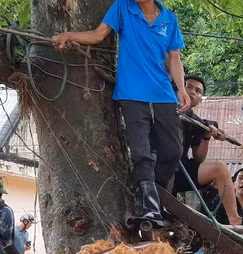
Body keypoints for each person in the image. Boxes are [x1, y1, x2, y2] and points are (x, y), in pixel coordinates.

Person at [53, 0, 190, 229]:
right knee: (141, 152)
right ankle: (148, 207)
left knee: (173, 150)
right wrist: (69, 35)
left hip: (163, 94)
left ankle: (157, 198)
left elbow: (174, 58)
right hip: (133, 94)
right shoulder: (123, 8)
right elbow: (98, 35)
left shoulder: (169, 19)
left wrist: (182, 88)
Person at [174, 75, 241, 225]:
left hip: (180, 170)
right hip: (157, 167)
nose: (192, 92)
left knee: (220, 169)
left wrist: (206, 135)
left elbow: (198, 158)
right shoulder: (163, 109)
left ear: (200, 99)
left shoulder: (198, 123)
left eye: (198, 91)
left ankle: (235, 220)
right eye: (188, 87)